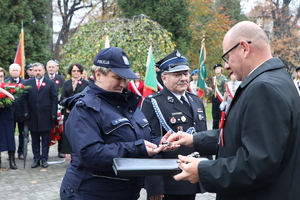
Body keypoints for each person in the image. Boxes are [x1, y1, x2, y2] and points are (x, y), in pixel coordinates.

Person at [166, 21, 300, 200]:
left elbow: (257, 165)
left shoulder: (264, 88)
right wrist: (194, 139)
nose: (226, 66)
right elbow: (241, 135)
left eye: (227, 57)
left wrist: (204, 170)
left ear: (244, 48)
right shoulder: (274, 80)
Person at [60, 47, 174, 200]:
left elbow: (140, 138)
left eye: (125, 79)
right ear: (98, 75)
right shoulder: (85, 108)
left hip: (125, 192)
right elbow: (91, 154)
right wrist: (138, 148)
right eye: (117, 78)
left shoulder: (127, 104)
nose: (123, 84)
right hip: (90, 193)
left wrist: (159, 142)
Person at [141, 50, 208, 200]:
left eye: (185, 74)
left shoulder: (195, 100)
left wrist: (207, 173)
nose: (183, 78)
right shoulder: (154, 102)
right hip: (169, 180)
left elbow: (203, 137)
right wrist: (154, 186)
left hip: (192, 175)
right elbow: (151, 143)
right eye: (177, 75)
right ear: (164, 78)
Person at [22, 62, 58, 168]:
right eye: (35, 70)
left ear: (44, 71)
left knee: (46, 139)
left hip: (46, 116)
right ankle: (36, 159)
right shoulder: (28, 83)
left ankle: (44, 159)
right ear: (33, 71)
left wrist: (53, 113)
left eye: (39, 70)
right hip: (33, 116)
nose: (37, 72)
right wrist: (26, 111)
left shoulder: (50, 83)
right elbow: (24, 99)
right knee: (35, 139)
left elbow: (54, 99)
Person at [60, 63, 88, 155]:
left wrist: (75, 107)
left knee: (79, 133)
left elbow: (86, 97)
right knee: (69, 133)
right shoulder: (66, 83)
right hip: (68, 112)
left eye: (78, 71)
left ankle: (79, 153)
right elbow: (63, 96)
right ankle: (70, 153)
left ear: (81, 72)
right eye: (74, 71)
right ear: (70, 72)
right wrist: (68, 106)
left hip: (80, 112)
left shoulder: (86, 84)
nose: (76, 73)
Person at [4, 64, 26, 160]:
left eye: (17, 70)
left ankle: (21, 152)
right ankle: (10, 152)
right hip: (10, 113)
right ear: (10, 72)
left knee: (23, 134)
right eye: (13, 70)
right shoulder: (5, 83)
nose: (15, 72)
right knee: (10, 134)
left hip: (22, 113)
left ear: (20, 71)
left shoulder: (25, 83)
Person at [45, 60, 65, 158]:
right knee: (48, 130)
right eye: (49, 67)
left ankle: (60, 150)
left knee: (60, 129)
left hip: (59, 108)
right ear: (46, 68)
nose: (51, 69)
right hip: (47, 108)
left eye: (53, 67)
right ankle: (46, 151)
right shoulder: (44, 78)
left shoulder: (61, 78)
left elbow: (64, 92)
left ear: (56, 68)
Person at [0, 67, 18, 169]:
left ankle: (12, 160)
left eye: (1, 76)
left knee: (9, 138)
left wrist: (4, 104)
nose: (0, 78)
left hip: (7, 115)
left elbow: (14, 100)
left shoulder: (8, 87)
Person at [211, 63, 227, 129]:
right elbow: (213, 89)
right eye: (216, 69)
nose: (217, 70)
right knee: (214, 116)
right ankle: (214, 130)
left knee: (220, 116)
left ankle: (221, 131)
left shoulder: (223, 79)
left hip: (220, 99)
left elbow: (225, 90)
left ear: (221, 69)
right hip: (214, 98)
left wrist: (224, 101)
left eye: (218, 68)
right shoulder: (213, 79)